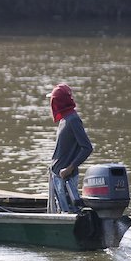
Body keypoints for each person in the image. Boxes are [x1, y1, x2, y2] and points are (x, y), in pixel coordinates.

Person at [47, 83, 93, 213]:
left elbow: (87, 148)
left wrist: (69, 168)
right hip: (57, 177)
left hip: (66, 179)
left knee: (70, 212)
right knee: (60, 211)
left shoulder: (73, 120)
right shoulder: (64, 120)